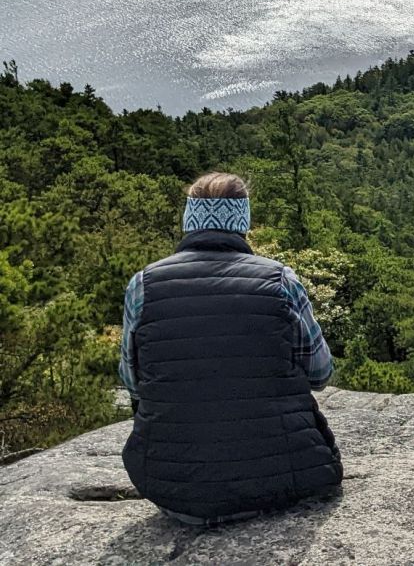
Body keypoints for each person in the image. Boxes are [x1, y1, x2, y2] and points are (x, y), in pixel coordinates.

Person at [119, 172, 343, 525]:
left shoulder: (143, 284)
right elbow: (320, 373)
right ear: (243, 220)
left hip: (170, 482)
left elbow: (133, 382)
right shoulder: (279, 279)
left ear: (190, 220)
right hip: (282, 475)